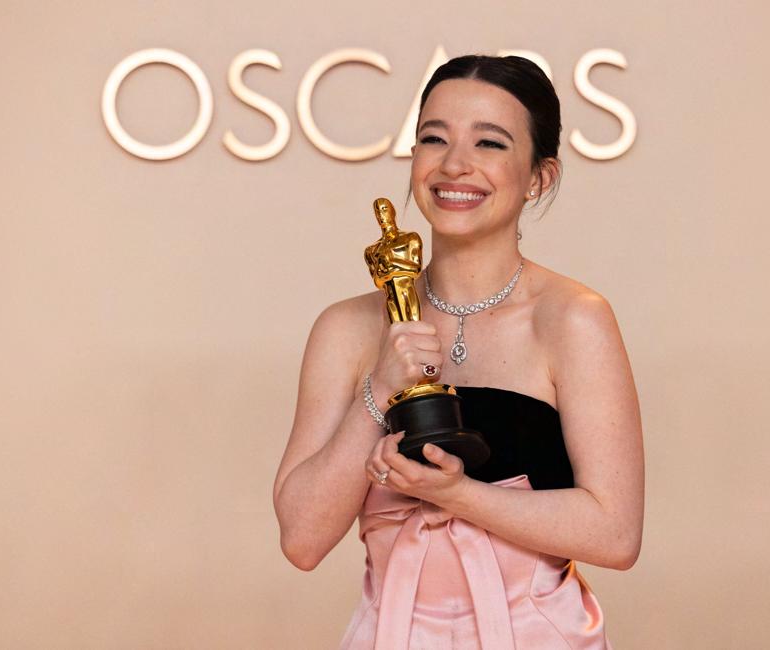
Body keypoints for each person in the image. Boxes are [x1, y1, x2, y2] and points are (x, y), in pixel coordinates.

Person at [273, 54, 644, 649]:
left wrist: (458, 496)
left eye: (489, 143)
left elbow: (616, 534)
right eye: (434, 138)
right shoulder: (347, 327)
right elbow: (301, 539)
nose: (454, 164)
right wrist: (379, 389)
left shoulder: (574, 319)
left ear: (540, 176)